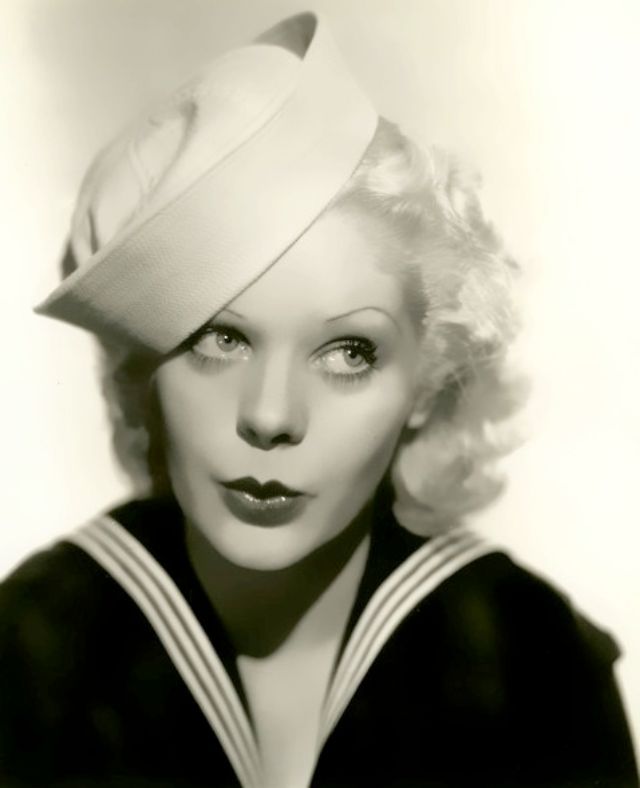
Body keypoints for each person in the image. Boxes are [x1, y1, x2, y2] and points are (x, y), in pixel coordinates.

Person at [0, 11, 636, 788]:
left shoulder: (530, 665)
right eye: (220, 339)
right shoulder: (33, 651)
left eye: (348, 353)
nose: (270, 416)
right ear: (144, 372)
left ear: (428, 382)